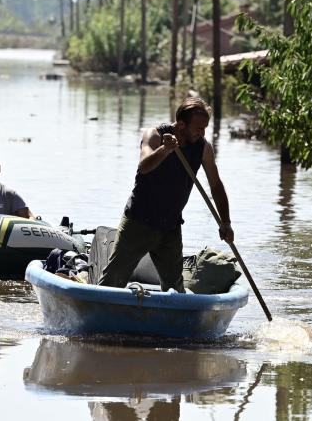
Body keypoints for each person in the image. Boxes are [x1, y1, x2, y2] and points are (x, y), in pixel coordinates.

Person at [99, 97, 234, 293]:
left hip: (170, 226)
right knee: (112, 281)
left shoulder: (203, 148)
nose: (202, 133)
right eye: (197, 127)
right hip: (138, 222)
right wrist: (165, 149)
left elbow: (216, 185)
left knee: (175, 290)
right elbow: (144, 167)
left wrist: (226, 222)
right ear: (181, 124)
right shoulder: (154, 135)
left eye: (205, 127)